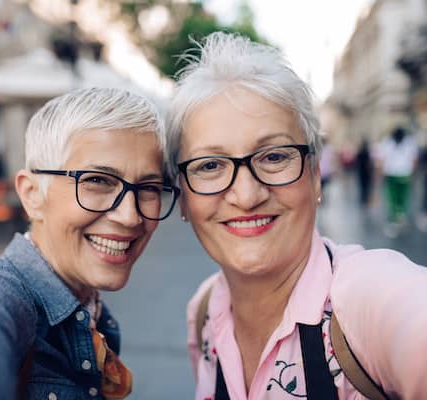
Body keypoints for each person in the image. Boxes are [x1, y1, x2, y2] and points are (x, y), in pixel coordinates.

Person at [165, 32, 427, 399]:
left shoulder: (364, 300)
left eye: (274, 157)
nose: (247, 195)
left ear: (316, 175)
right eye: (210, 164)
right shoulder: (203, 312)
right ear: (182, 197)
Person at [0, 87, 180, 399]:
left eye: (150, 187)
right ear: (32, 194)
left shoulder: (92, 313)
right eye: (97, 181)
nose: (129, 216)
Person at [374, 126, 419, 237]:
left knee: (392, 198)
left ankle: (394, 219)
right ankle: (401, 216)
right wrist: (413, 173)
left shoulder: (387, 142)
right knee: (402, 197)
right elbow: (414, 159)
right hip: (404, 173)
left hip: (392, 174)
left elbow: (381, 160)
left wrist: (379, 175)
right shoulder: (410, 142)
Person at [355, 138, 373, 207]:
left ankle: (363, 198)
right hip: (367, 172)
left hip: (361, 172)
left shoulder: (360, 152)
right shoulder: (368, 152)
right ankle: (365, 198)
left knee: (362, 185)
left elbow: (357, 162)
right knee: (367, 186)